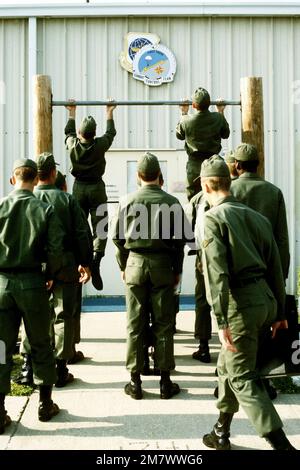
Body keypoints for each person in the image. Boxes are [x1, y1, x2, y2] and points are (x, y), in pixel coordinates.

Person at [198, 155, 296, 450]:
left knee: (242, 377)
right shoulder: (258, 217)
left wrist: (221, 321)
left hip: (239, 306)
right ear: (229, 182)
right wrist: (279, 310)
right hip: (265, 301)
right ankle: (221, 431)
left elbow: (217, 274)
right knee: (226, 366)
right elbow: (276, 266)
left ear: (206, 185)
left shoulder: (213, 219)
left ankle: (283, 446)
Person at [111, 152, 186, 400]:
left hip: (135, 263)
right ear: (159, 176)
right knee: (164, 323)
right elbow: (180, 242)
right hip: (163, 266)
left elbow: (117, 238)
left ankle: (135, 381)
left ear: (138, 176)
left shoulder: (126, 201)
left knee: (135, 323)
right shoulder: (173, 202)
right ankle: (165, 381)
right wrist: (177, 270)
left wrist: (124, 266)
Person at [0, 159, 63, 434]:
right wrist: (51, 273)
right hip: (33, 283)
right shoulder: (44, 208)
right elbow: (56, 248)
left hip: (2, 284)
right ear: (36, 180)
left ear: (13, 180)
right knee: (40, 344)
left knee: (1, 350)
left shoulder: (0, 206)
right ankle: (45, 403)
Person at [65, 100, 117, 291]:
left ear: (80, 133)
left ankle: (82, 260)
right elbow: (110, 134)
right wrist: (109, 112)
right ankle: (96, 258)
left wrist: (72, 113)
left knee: (79, 225)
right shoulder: (100, 145)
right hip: (96, 187)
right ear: (94, 134)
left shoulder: (73, 145)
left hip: (79, 187)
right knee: (100, 225)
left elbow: (68, 134)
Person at [231, 143, 290, 280]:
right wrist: (282, 272)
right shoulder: (274, 192)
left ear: (237, 165)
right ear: (258, 164)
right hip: (267, 266)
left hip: (236, 268)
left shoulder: (229, 190)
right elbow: (281, 238)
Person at [176, 87, 230, 201]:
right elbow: (226, 134)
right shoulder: (218, 118)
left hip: (195, 165)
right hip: (215, 163)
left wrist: (183, 112)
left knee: (193, 198)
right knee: (218, 197)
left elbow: (179, 136)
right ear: (209, 104)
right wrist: (220, 111)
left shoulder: (186, 120)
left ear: (194, 105)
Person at [185, 191, 212, 363]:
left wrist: (194, 249)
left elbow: (187, 228)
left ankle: (204, 347)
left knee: (203, 301)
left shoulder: (199, 198)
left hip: (205, 256)